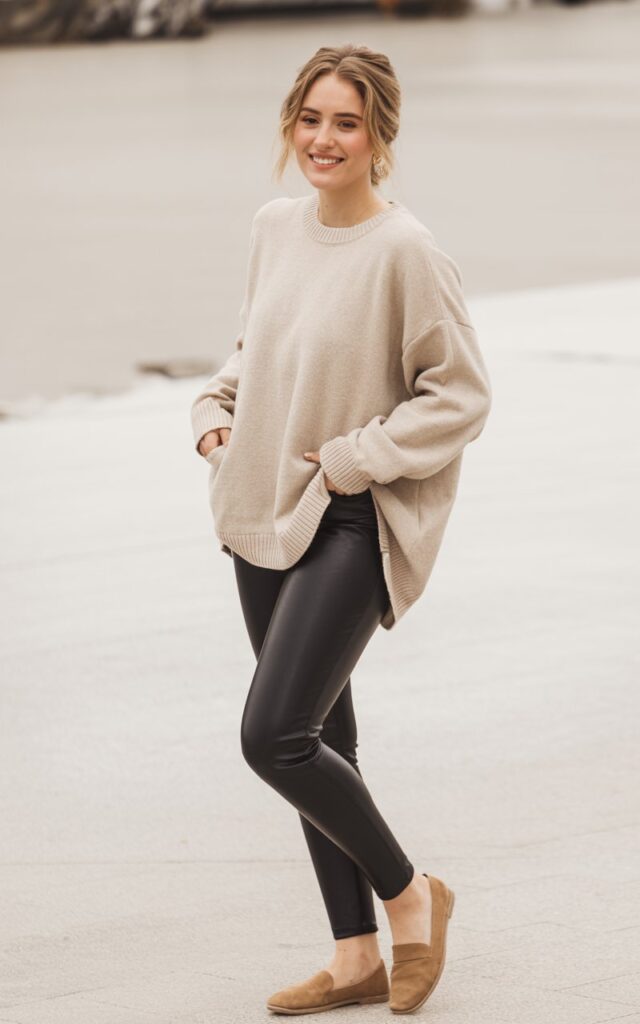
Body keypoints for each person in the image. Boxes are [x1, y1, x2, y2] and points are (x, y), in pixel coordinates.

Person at [190, 44, 492, 1016]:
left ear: (379, 138)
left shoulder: (406, 250)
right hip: (258, 508)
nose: (325, 139)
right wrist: (212, 410)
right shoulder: (274, 228)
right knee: (323, 741)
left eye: (346, 123)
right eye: (311, 119)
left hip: (352, 517)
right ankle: (355, 954)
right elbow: (250, 349)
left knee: (273, 734)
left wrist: (356, 455)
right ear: (291, 125)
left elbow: (460, 396)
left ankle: (409, 894)